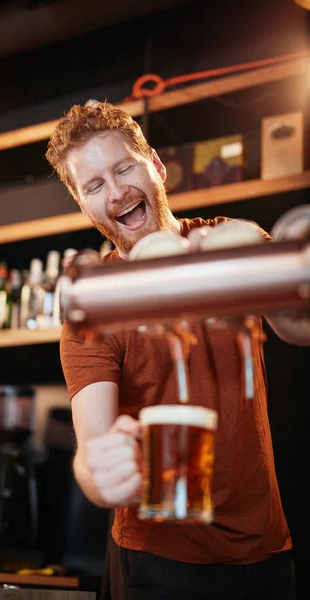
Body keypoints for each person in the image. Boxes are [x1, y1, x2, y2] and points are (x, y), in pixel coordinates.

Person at [45, 101, 309, 599]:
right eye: (95, 185)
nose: (117, 191)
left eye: (124, 168)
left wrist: (284, 262)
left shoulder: (228, 244)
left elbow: (299, 329)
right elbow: (92, 451)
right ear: (83, 205)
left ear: (157, 166)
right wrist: (100, 474)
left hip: (267, 548)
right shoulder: (95, 305)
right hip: (158, 559)